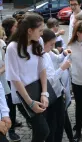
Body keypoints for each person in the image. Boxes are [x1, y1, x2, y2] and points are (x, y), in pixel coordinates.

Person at [5, 13, 50, 142]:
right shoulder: (12, 48)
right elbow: (14, 78)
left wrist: (44, 92)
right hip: (23, 95)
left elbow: (42, 68)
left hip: (38, 90)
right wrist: (30, 102)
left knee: (39, 130)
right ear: (29, 31)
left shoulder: (38, 41)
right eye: (40, 30)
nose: (42, 34)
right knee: (43, 130)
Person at [1, 18, 22, 141]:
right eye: (15, 26)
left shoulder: (8, 43)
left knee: (11, 104)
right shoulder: (6, 42)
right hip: (5, 79)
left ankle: (11, 127)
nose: (17, 28)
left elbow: (7, 64)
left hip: (7, 78)